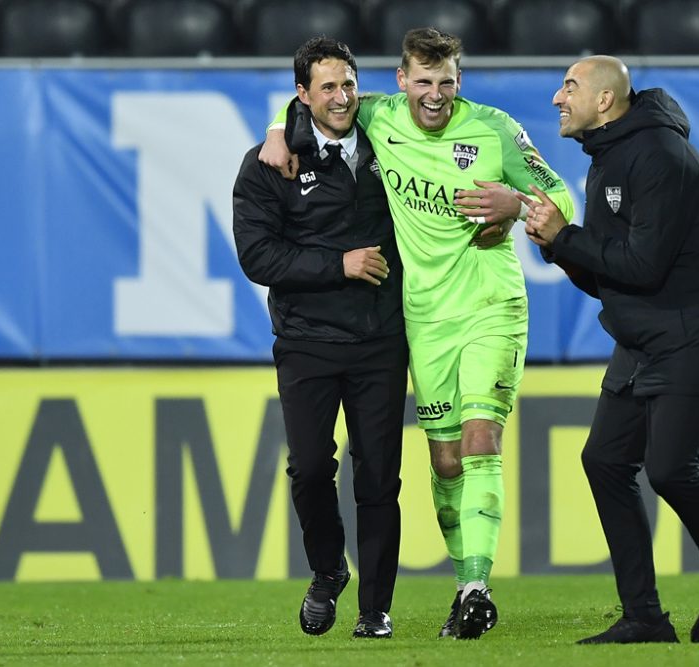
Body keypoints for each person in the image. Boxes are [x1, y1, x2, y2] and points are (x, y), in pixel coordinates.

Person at [261, 28, 574, 639]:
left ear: (461, 82)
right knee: (446, 458)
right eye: (424, 82)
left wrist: (514, 204)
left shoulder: (495, 129)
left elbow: (559, 193)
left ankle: (476, 587)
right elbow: (319, 101)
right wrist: (278, 128)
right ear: (401, 82)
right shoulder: (378, 116)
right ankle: (466, 585)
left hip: (490, 304)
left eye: (447, 83)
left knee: (481, 437)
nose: (435, 96)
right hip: (423, 320)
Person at [519, 55, 699, 645]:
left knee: (668, 469)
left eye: (570, 86)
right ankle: (645, 618)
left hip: (696, 331)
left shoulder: (657, 155)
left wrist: (566, 238)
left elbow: (644, 265)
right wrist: (557, 246)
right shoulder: (609, 157)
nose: (558, 97)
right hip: (649, 333)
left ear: (605, 101)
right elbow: (614, 277)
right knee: (605, 460)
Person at [232, 37, 409, 640]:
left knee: (380, 477)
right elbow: (258, 255)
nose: (342, 97)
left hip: (382, 337)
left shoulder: (393, 139)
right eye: (327, 87)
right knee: (310, 470)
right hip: (307, 340)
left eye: (349, 84)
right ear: (302, 95)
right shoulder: (269, 163)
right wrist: (340, 265)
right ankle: (329, 569)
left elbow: (435, 114)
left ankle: (375, 609)